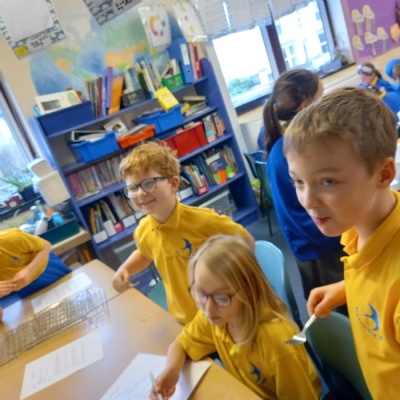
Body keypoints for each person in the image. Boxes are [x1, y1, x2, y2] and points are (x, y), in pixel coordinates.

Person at [283, 86, 400, 398]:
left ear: (383, 174)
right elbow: (382, 279)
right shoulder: (358, 230)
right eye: (298, 181)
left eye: (328, 181)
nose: (308, 200)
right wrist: (348, 288)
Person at [150, 235, 321, 400]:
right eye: (200, 293)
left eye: (221, 298)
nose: (208, 308)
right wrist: (172, 370)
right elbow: (182, 344)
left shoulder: (277, 344)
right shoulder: (216, 317)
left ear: (248, 290)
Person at [112, 142, 255, 325]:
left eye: (148, 183)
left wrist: (233, 279)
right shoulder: (143, 230)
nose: (140, 193)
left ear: (173, 184)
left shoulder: (204, 220)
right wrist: (125, 269)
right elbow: (144, 253)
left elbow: (246, 241)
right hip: (184, 320)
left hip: (220, 315)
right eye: (132, 188)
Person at [263, 69, 347, 313]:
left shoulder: (281, 146)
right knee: (341, 309)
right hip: (324, 245)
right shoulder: (298, 151)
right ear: (305, 106)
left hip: (306, 245)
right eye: (321, 97)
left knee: (323, 308)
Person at [0, 228, 71, 320]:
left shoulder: (10, 238)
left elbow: (46, 245)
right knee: (45, 318)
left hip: (46, 270)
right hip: (21, 288)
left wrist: (29, 270)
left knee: (70, 302)